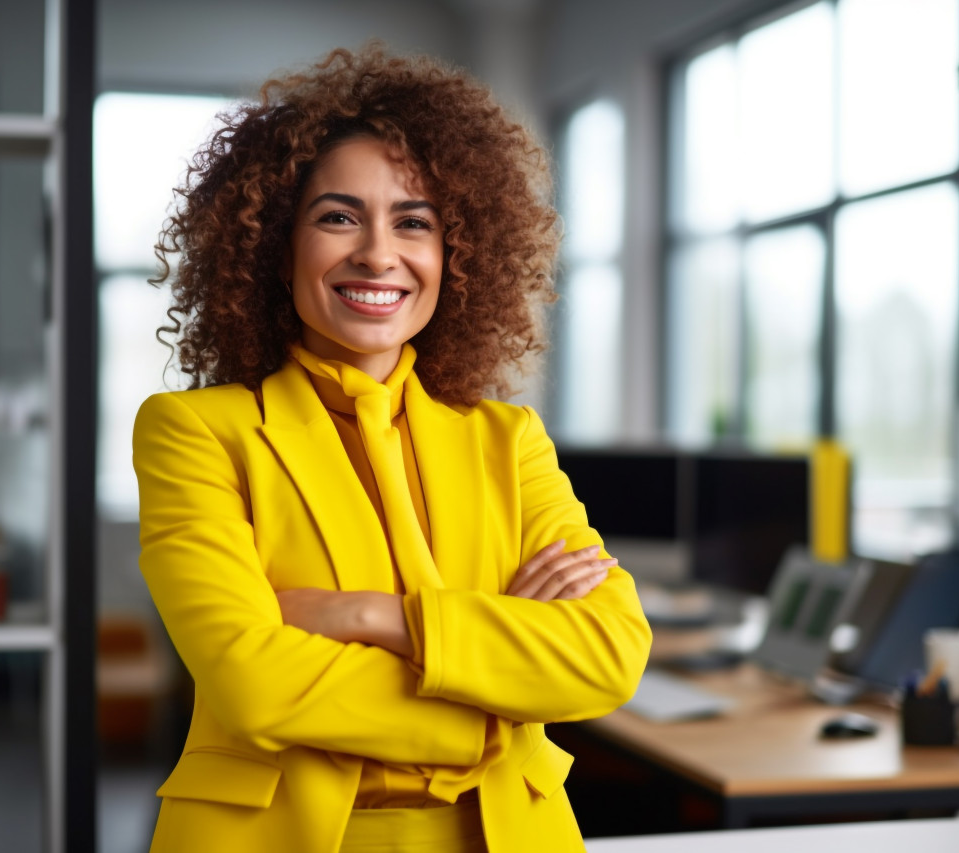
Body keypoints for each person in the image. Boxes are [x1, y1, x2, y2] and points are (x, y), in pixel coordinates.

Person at [134, 44, 652, 853]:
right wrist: (492, 708)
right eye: (338, 216)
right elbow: (255, 684)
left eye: (414, 222)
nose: (379, 254)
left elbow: (610, 653)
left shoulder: (508, 441)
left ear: (455, 253)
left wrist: (371, 618)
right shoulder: (195, 433)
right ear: (277, 244)